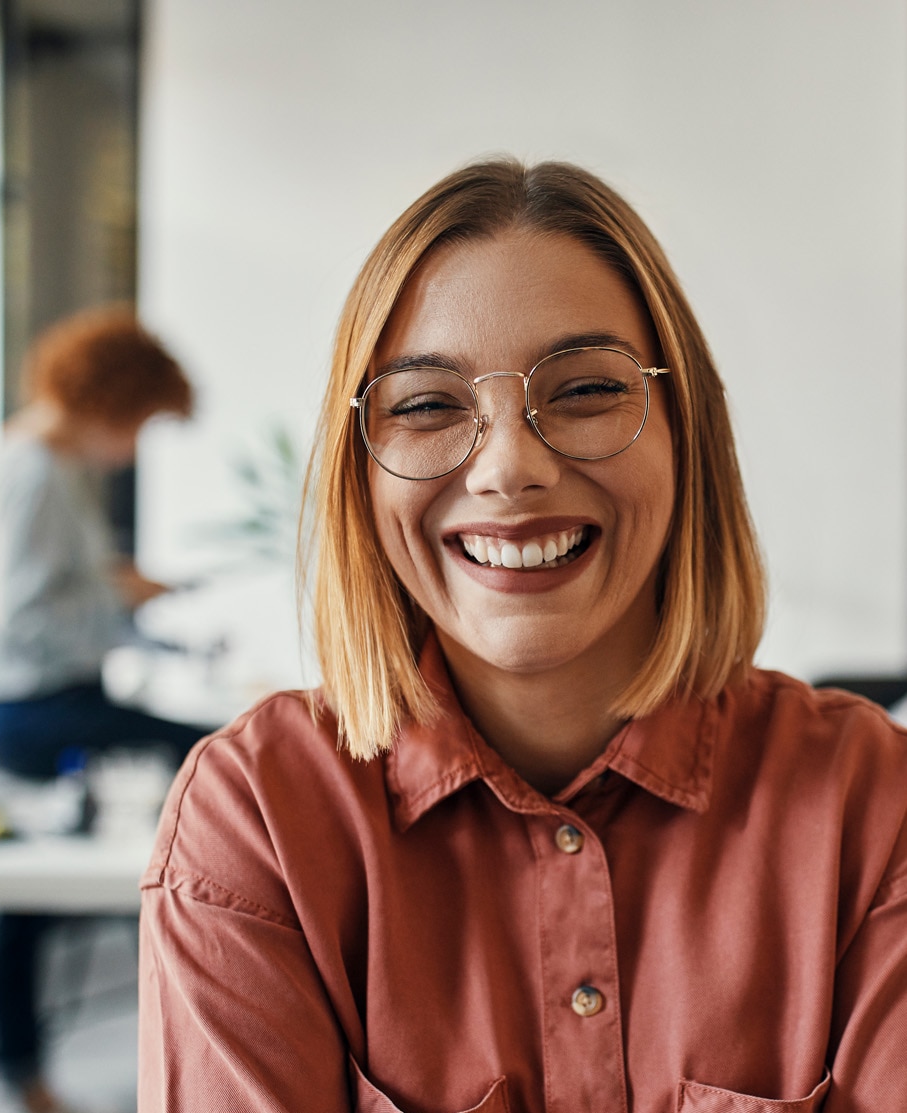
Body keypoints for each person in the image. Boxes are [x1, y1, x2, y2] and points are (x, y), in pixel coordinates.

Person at [137, 160, 907, 1112]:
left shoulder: (873, 804)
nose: (509, 467)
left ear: (686, 430)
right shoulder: (257, 819)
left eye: (585, 391)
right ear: (359, 473)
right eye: (426, 405)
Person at [0, 305, 207, 1113]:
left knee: (28, 906)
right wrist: (119, 592)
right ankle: (27, 1067)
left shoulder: (45, 466)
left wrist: (118, 592)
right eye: (138, 423)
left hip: (57, 696)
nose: (133, 446)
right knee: (218, 755)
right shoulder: (31, 473)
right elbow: (24, 618)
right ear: (110, 401)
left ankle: (24, 1065)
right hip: (32, 708)